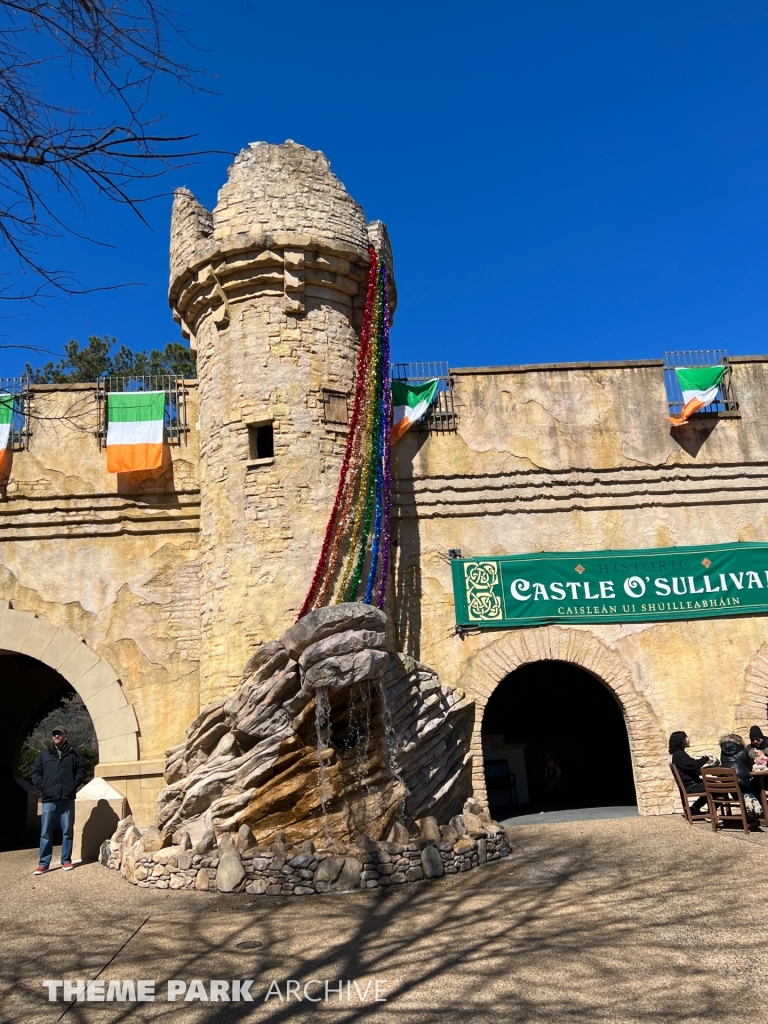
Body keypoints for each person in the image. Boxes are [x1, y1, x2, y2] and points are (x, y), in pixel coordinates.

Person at [29, 726, 87, 874]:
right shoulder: (44, 754)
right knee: (45, 831)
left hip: (67, 797)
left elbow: (81, 769)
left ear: (65, 736)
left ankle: (66, 860)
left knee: (67, 830)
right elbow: (35, 772)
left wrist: (72, 785)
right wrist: (44, 787)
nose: (56, 736)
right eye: (55, 734)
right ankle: (44, 863)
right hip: (49, 798)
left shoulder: (74, 753)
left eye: (59, 734)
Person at [668, 731, 712, 814]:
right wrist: (706, 759)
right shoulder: (679, 754)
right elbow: (694, 765)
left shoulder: (678, 754)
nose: (688, 739)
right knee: (718, 787)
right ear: (680, 740)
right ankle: (711, 814)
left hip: (691, 784)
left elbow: (690, 768)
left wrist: (706, 768)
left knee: (714, 784)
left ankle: (695, 808)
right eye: (685, 738)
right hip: (691, 785)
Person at [718, 733, 758, 799]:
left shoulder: (723, 752)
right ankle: (756, 803)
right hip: (742, 781)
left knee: (739, 792)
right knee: (757, 786)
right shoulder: (743, 751)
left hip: (727, 782)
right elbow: (749, 765)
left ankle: (744, 799)